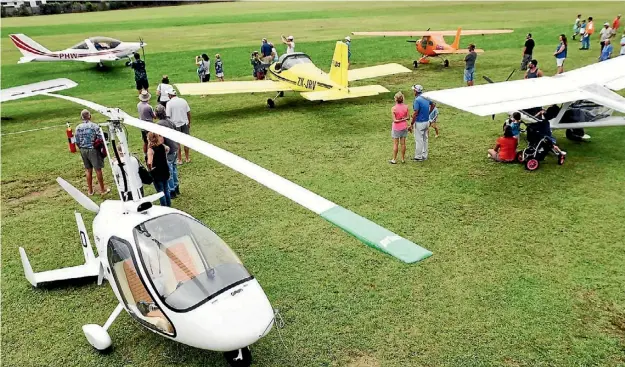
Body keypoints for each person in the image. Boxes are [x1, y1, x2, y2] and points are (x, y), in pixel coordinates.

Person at [75, 110, 110, 196]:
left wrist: (81, 147)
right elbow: (100, 138)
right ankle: (102, 189)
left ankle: (90, 190)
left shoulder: (78, 127)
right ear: (89, 116)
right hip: (93, 150)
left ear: (81, 117)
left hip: (83, 150)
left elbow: (76, 140)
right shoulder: (94, 126)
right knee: (98, 169)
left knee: (88, 169)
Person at [155, 105, 180, 198]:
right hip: (175, 148)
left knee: (169, 171)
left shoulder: (158, 124)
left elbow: (159, 139)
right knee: (174, 169)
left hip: (168, 151)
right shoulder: (170, 121)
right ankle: (177, 187)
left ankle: (172, 190)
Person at [165, 90, 191, 164]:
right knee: (186, 141)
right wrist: (189, 122)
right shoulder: (183, 100)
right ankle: (187, 158)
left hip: (175, 125)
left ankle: (179, 159)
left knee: (177, 143)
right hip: (184, 123)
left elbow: (168, 116)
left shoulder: (169, 103)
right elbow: (188, 112)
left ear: (170, 95)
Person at [409, 85, 434, 161]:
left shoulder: (417, 100)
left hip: (419, 123)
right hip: (426, 122)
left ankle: (418, 156)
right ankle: (424, 155)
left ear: (416, 91)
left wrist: (412, 123)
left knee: (418, 139)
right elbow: (433, 104)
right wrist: (428, 113)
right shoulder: (426, 97)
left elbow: (416, 112)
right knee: (425, 139)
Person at [147, 132, 171, 207]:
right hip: (165, 170)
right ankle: (168, 205)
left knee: (160, 191)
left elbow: (149, 162)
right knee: (166, 189)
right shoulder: (162, 146)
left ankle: (164, 206)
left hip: (157, 172)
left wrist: (150, 169)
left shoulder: (151, 150)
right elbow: (168, 149)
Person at [389, 91, 409, 164]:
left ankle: (394, 159)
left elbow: (395, 120)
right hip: (404, 126)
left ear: (396, 99)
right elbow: (408, 117)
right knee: (403, 143)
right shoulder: (406, 107)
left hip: (396, 128)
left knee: (396, 144)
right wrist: (404, 119)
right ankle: (403, 159)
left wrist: (400, 119)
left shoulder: (393, 108)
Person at [137, 90, 155, 162]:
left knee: (145, 142)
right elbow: (154, 116)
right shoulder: (149, 107)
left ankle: (145, 154)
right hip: (149, 126)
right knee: (150, 141)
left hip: (142, 125)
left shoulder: (138, 105)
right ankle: (149, 155)